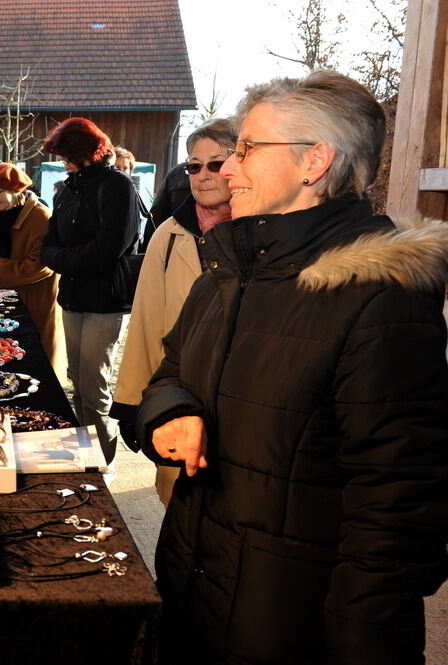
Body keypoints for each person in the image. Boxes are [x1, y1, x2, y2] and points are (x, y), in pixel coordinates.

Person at [138, 71, 448, 665]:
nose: (226, 169)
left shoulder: (380, 299)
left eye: (248, 149)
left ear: (315, 162)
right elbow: (169, 372)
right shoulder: (231, 269)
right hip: (196, 589)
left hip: (287, 626)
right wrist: (171, 412)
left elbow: (396, 510)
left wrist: (367, 646)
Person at [113, 117, 235, 506]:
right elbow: (147, 323)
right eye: (194, 165)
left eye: (216, 163)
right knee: (180, 511)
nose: (203, 174)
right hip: (177, 399)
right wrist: (133, 401)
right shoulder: (169, 233)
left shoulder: (264, 234)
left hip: (238, 410)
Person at [41, 118, 139, 462]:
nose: (64, 163)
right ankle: (85, 451)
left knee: (94, 385)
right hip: (72, 296)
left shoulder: (118, 186)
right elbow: (47, 245)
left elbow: (110, 248)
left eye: (68, 155)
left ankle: (103, 458)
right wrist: (65, 259)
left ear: (85, 153)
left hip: (105, 300)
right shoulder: (68, 189)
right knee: (76, 381)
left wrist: (64, 260)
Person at [0, 163, 61, 366]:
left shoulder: (41, 217)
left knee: (36, 361)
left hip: (34, 303)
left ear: (15, 191)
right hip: (6, 301)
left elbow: (40, 265)